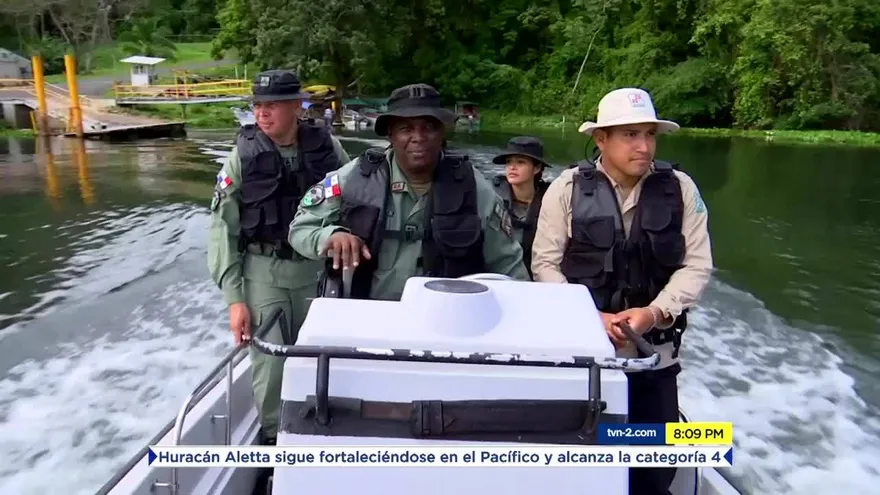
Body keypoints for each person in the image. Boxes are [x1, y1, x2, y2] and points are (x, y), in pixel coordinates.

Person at [530, 87, 713, 495]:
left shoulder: (680, 189)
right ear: (601, 139)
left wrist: (655, 312)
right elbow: (545, 264)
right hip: (586, 354)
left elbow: (698, 265)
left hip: (655, 358)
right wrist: (590, 317)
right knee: (583, 465)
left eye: (649, 134)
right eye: (630, 135)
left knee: (653, 471)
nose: (644, 145)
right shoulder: (565, 189)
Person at [206, 69, 351, 446]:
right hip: (264, 273)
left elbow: (357, 198)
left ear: (296, 107)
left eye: (272, 105)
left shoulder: (328, 149)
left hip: (318, 272)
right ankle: (274, 442)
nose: (262, 113)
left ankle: (322, 431)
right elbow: (222, 229)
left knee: (324, 357)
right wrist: (235, 299)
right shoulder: (242, 157)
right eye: (257, 105)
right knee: (271, 366)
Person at [288, 83, 530, 301]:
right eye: (406, 128)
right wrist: (331, 236)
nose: (418, 138)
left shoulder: (473, 187)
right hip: (368, 317)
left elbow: (509, 265)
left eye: (429, 127)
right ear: (390, 135)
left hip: (449, 319)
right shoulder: (354, 177)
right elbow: (300, 228)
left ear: (442, 133)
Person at [490, 136, 551, 280]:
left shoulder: (551, 199)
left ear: (536, 168)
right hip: (500, 276)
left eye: (520, 162)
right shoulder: (492, 195)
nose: (512, 167)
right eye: (509, 162)